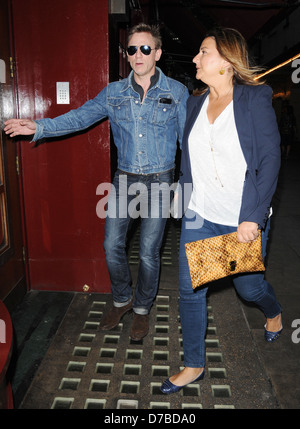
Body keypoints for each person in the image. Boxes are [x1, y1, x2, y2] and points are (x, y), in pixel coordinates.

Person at [4, 23, 189, 341]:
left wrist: (186, 186)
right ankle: (122, 299)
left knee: (148, 251)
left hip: (160, 180)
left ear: (157, 53)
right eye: (132, 49)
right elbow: (79, 116)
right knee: (111, 245)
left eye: (145, 48)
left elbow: (188, 141)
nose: (138, 55)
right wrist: (39, 126)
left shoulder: (177, 92)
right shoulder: (114, 93)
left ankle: (142, 309)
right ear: (127, 54)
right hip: (125, 178)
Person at [160, 27, 282, 395]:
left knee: (249, 288)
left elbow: (269, 159)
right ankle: (194, 363)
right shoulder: (194, 103)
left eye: (203, 52)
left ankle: (273, 312)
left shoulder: (254, 98)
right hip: (199, 215)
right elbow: (189, 161)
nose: (195, 59)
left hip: (239, 220)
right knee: (189, 291)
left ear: (227, 63)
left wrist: (254, 217)